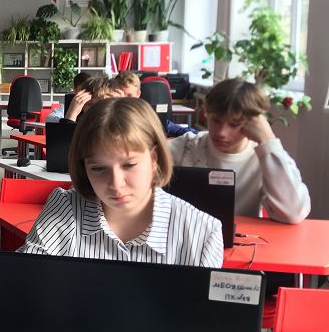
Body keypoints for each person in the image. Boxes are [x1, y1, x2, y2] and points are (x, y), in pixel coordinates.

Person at [19, 97, 223, 266]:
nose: (116, 184)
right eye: (98, 168)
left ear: (154, 158)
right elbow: (25, 281)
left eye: (129, 165)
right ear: (84, 168)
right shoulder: (65, 208)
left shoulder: (202, 232)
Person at [167, 78, 310, 225]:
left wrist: (268, 139)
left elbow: (293, 213)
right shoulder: (186, 146)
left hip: (242, 235)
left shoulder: (263, 157)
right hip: (188, 234)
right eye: (216, 121)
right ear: (206, 113)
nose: (222, 132)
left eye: (234, 124)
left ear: (254, 123)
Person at [109, 72, 197, 138]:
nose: (125, 100)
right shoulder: (108, 114)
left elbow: (177, 130)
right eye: (121, 95)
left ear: (138, 94)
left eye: (129, 95)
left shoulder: (146, 114)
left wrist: (201, 136)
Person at [47, 77, 114, 123]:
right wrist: (72, 114)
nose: (93, 109)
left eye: (99, 104)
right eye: (89, 104)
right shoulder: (82, 123)